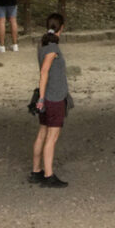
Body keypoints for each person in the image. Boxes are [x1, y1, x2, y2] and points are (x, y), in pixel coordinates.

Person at [31, 12, 70, 187]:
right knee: (52, 138)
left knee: (42, 133)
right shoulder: (53, 49)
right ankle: (48, 175)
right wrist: (41, 98)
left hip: (47, 96)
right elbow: (44, 71)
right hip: (53, 98)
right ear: (62, 28)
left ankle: (36, 170)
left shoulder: (43, 45)